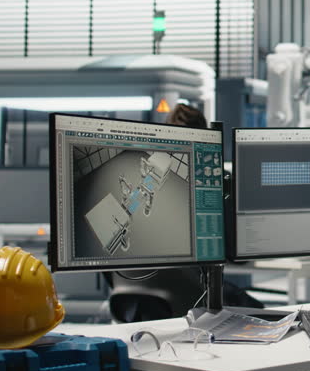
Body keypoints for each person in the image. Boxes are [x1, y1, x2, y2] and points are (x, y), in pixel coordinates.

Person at [106, 103, 263, 322]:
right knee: (259, 310)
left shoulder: (138, 184)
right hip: (193, 298)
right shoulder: (214, 181)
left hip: (134, 303)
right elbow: (235, 252)